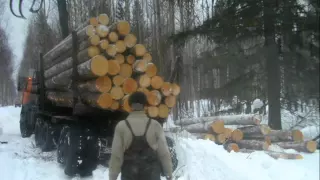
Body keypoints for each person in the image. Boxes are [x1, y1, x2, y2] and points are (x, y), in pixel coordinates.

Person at [108, 92, 173, 180]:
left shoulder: (122, 126)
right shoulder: (155, 125)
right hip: (152, 174)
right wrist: (168, 173)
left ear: (130, 106)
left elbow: (116, 155)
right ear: (145, 106)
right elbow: (164, 153)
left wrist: (113, 176)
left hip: (129, 174)